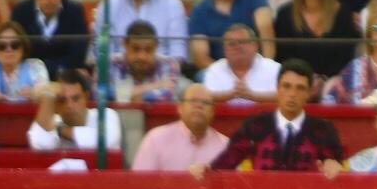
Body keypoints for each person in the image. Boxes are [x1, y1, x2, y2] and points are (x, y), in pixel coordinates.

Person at [200, 59, 345, 176]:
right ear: (277, 88)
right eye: (286, 86)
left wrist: (332, 164)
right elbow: (228, 161)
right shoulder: (255, 126)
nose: (292, 94)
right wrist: (207, 168)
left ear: (309, 93)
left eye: (300, 88)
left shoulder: (323, 130)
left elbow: (334, 164)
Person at [273, 0, 359, 87]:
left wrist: (322, 80)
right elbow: (283, 57)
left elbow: (345, 57)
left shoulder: (342, 13)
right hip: (296, 82)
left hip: (332, 82)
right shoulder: (285, 14)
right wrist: (305, 80)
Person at [10, 0, 89, 76]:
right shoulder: (21, 10)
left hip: (65, 79)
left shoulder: (75, 10)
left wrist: (43, 69)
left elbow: (77, 57)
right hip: (28, 79)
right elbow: (17, 54)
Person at [131, 87, 229, 171]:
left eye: (205, 102)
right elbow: (140, 184)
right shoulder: (155, 139)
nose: (199, 106)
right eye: (193, 101)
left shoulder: (225, 146)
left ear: (212, 112)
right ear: (180, 108)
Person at [28, 67, 122, 150]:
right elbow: (41, 144)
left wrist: (60, 130)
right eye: (62, 100)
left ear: (86, 97)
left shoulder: (106, 114)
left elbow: (106, 140)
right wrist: (48, 97)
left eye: (75, 98)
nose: (69, 105)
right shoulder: (51, 120)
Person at [195, 23, 281, 104]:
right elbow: (205, 98)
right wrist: (230, 94)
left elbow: (286, 96)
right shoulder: (214, 69)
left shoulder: (274, 69)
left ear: (255, 45)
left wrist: (253, 96)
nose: (237, 47)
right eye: (231, 44)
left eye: (242, 42)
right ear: (224, 50)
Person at [109, 20, 180, 103]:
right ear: (125, 44)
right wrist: (154, 86)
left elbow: (165, 97)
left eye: (148, 49)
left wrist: (125, 95)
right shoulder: (110, 63)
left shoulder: (169, 63)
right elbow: (102, 94)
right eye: (136, 49)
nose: (141, 56)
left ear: (156, 46)